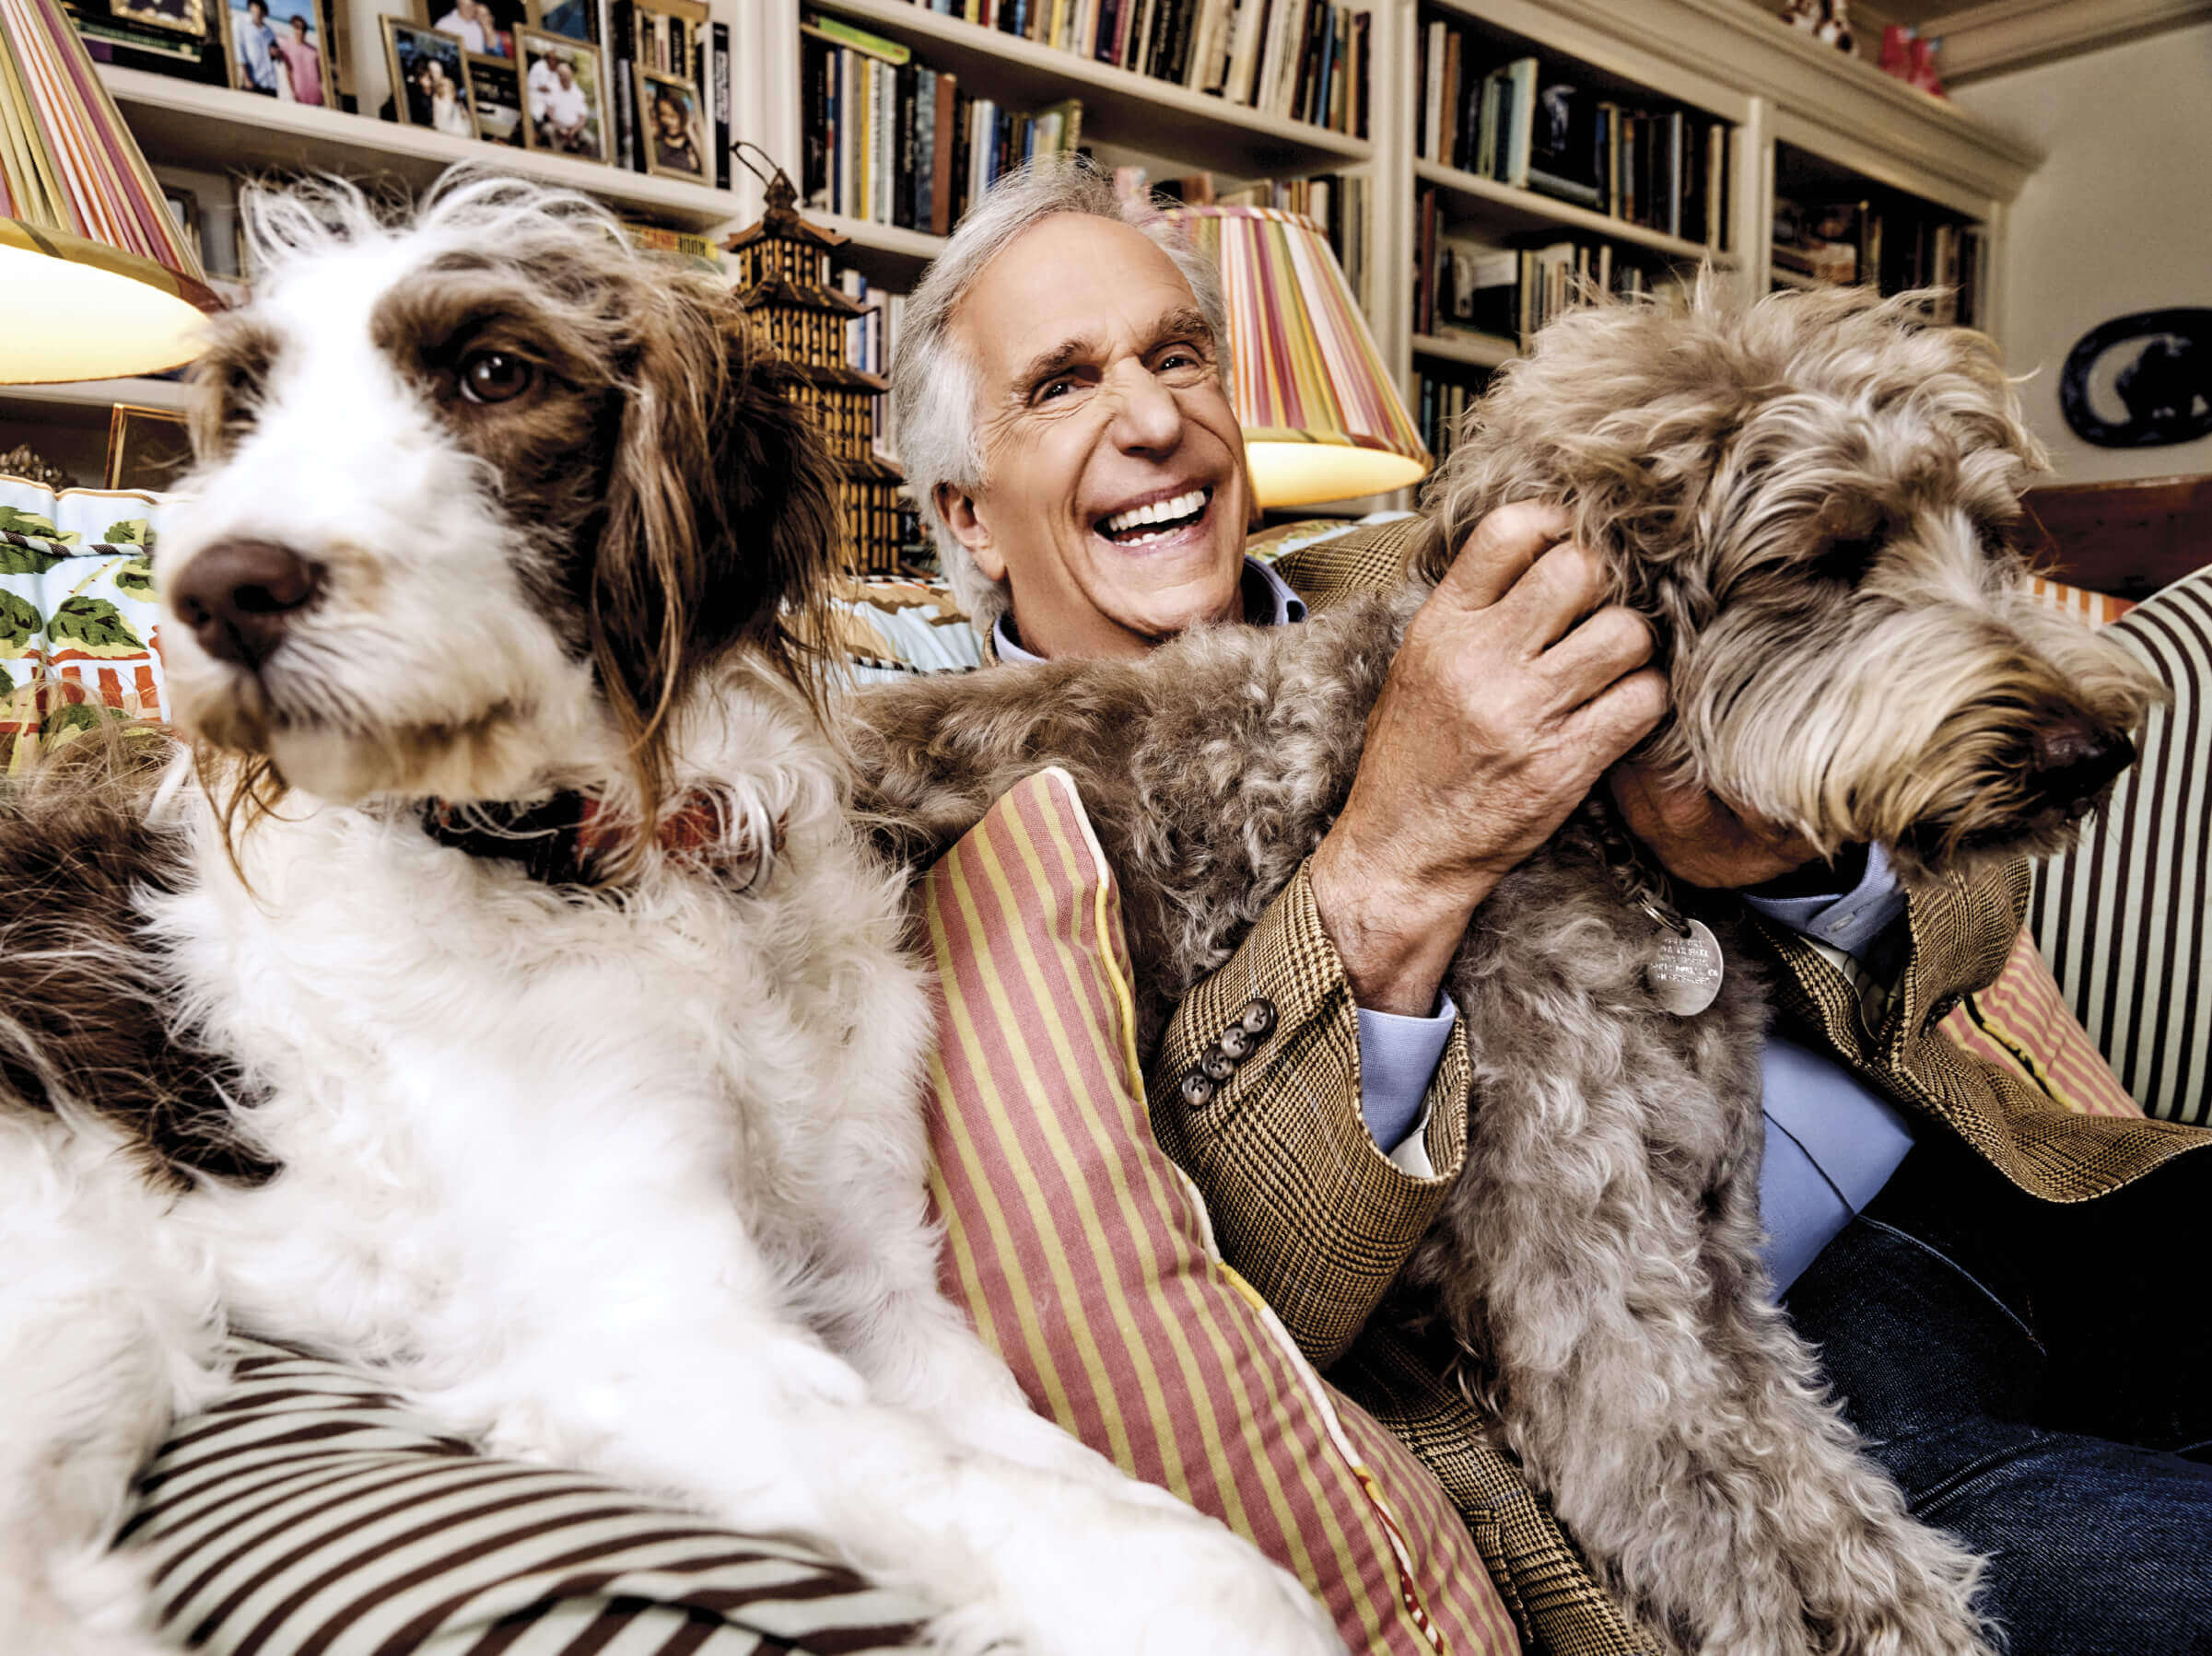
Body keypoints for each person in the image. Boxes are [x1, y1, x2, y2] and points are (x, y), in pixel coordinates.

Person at [887, 157, 2212, 1653]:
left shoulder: (1474, 548)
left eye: (1177, 354)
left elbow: (1962, 919)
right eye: (1064, 384)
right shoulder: (966, 836)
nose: (1151, 417)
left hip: (2013, 1190)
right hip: (1761, 1376)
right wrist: (1397, 857)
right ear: (966, 512)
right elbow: (1239, 1288)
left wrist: (1789, 851)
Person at [528, 50, 591, 154]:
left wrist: (572, 132)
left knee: (590, 140)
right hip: (556, 126)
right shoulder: (552, 87)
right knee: (548, 130)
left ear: (571, 75)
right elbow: (549, 112)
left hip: (574, 129)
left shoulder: (579, 94)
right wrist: (560, 128)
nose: (564, 78)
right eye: (561, 75)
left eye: (566, 75)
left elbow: (582, 119)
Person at [649, 82, 703, 177]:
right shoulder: (658, 143)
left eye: (673, 116)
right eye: (663, 115)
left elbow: (707, 168)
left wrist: (690, 131)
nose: (669, 122)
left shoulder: (692, 144)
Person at [273, 14, 322, 109]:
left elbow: (320, 75)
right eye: (297, 28)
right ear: (292, 28)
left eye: (303, 29)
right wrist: (293, 92)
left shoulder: (314, 51)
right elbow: (287, 70)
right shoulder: (286, 46)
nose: (300, 31)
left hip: (316, 94)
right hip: (298, 93)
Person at [231, 0, 279, 95]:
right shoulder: (241, 24)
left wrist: (275, 53)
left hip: (270, 83)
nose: (258, 10)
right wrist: (246, 79)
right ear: (250, 7)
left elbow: (274, 56)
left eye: (261, 8)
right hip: (252, 82)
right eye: (256, 7)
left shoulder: (270, 31)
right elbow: (240, 53)